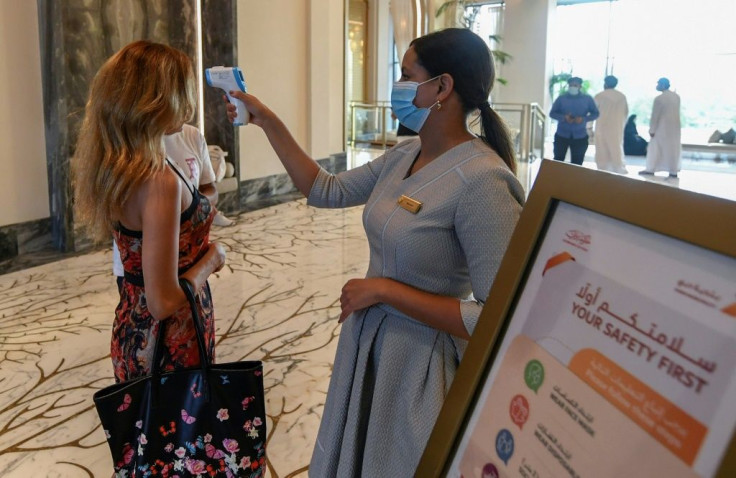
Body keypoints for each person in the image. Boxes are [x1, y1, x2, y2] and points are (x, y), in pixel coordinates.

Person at [225, 28, 524, 476]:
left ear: (442, 87)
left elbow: (495, 318)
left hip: (418, 368)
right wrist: (265, 119)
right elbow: (323, 188)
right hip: (370, 346)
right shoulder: (405, 155)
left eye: (407, 76)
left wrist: (385, 291)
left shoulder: (484, 181)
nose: (397, 87)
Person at [73, 41, 226, 384]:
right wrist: (211, 260)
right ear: (154, 101)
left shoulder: (115, 166)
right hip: (168, 341)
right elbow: (163, 301)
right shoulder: (158, 182)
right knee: (180, 430)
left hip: (133, 326)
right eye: (180, 90)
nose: (187, 102)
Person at [112, 124, 232, 294]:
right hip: (143, 274)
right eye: (182, 96)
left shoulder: (193, 136)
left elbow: (210, 190)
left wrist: (195, 207)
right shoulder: (141, 156)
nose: (188, 106)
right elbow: (162, 302)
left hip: (192, 267)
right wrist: (213, 259)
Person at [550, 77, 599, 165]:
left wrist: (583, 119)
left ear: (580, 86)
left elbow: (596, 113)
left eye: (575, 85)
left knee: (577, 163)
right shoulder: (561, 98)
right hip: (562, 134)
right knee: (558, 161)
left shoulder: (587, 99)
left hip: (580, 135)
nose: (573, 87)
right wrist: (564, 117)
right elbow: (552, 113)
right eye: (571, 85)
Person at [639, 77, 681, 178]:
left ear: (662, 85)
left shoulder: (659, 99)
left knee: (655, 148)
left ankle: (651, 169)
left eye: (658, 84)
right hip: (674, 128)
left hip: (661, 128)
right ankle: (673, 170)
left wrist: (652, 130)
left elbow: (655, 115)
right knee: (672, 149)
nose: (656, 86)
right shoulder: (676, 97)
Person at [593, 75, 629, 174]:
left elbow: (593, 112)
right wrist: (622, 125)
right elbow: (626, 113)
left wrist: (588, 127)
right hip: (617, 128)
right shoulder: (622, 96)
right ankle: (618, 168)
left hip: (602, 127)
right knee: (616, 148)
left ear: (605, 83)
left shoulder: (600, 96)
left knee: (602, 149)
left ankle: (602, 170)